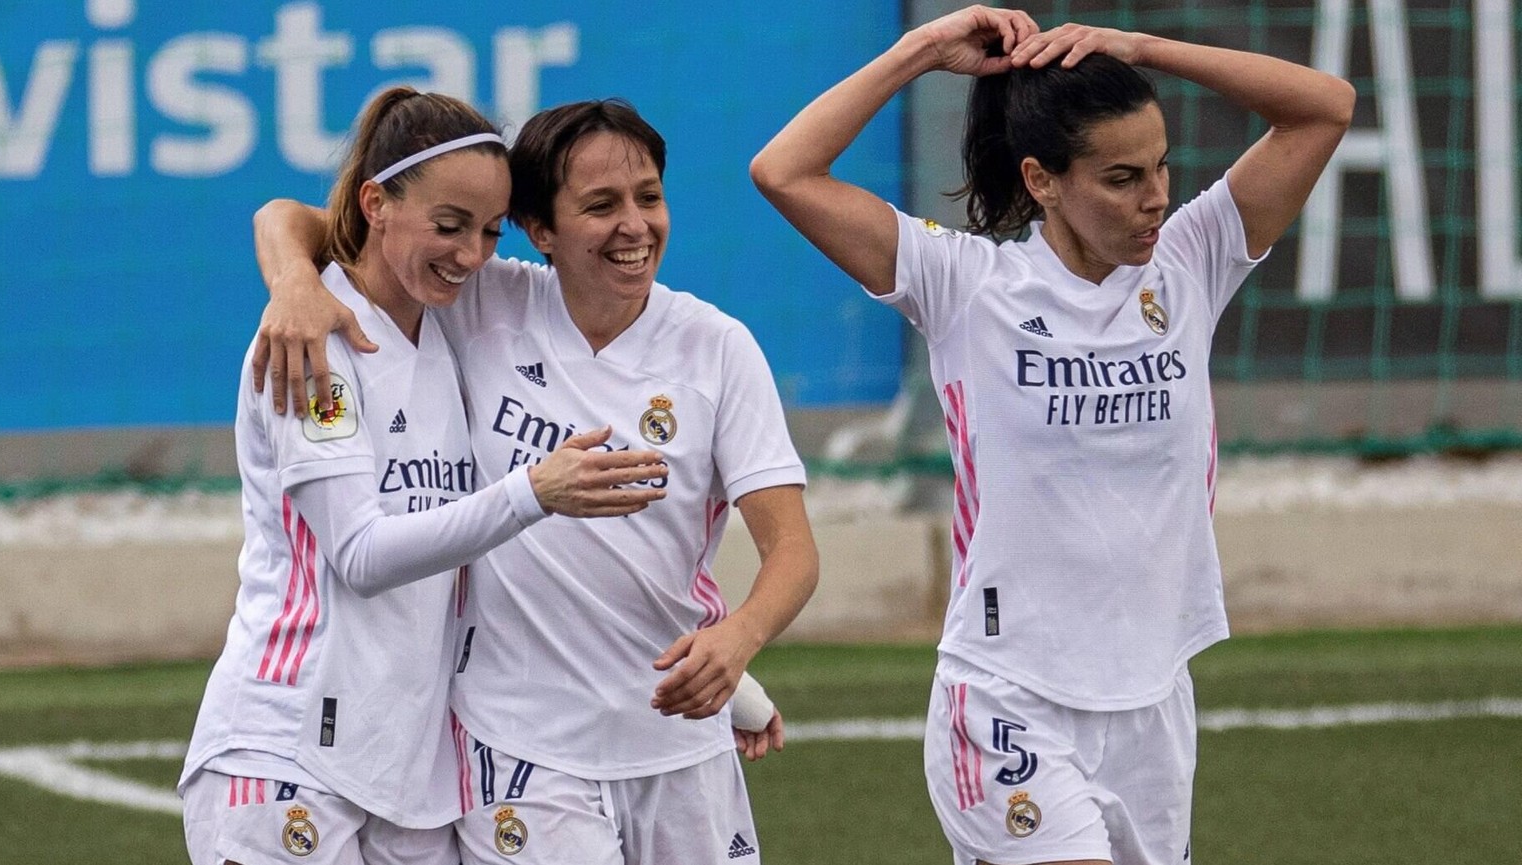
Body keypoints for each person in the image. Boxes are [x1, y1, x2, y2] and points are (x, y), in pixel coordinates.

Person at [751, 6, 1353, 865]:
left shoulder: (1191, 263)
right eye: (1120, 178)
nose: (1155, 199)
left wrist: (1136, 47)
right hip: (1008, 697)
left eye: (1161, 168)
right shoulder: (967, 284)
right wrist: (921, 51)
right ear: (1042, 180)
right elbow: (782, 170)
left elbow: (1323, 104)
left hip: (1153, 697)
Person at [249, 97, 818, 865]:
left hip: (678, 741)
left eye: (648, 197)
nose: (635, 226)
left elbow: (793, 553)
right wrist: (293, 280)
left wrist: (737, 643)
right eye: (600, 205)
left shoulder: (717, 348)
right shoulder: (484, 297)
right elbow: (314, 217)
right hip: (519, 747)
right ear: (541, 231)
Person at [180, 88, 671, 865]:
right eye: (448, 226)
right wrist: (534, 492)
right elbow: (364, 554)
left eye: (488, 231)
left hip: (408, 771)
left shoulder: (453, 324)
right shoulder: (318, 343)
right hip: (286, 746)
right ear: (377, 203)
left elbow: (295, 218)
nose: (472, 256)